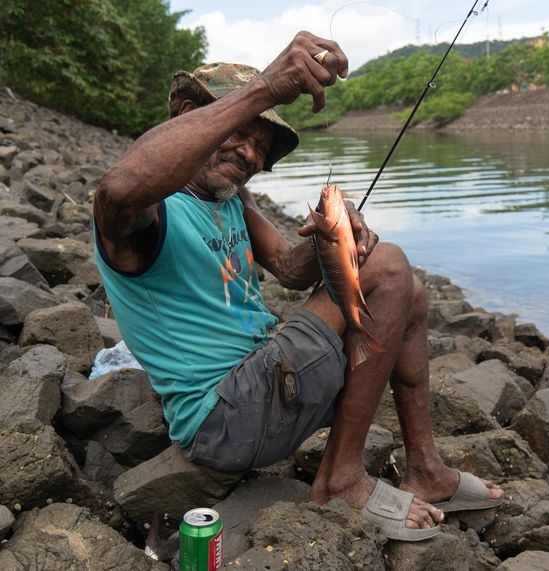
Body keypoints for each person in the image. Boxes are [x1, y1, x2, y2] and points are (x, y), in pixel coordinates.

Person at [93, 31, 503, 541]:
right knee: (391, 268)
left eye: (260, 148)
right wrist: (265, 87)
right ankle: (340, 481)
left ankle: (426, 467)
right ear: (188, 117)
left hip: (265, 393)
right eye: (240, 132)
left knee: (408, 290)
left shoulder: (233, 202)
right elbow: (119, 188)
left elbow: (290, 268)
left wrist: (332, 239)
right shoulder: (145, 217)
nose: (248, 154)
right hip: (222, 418)